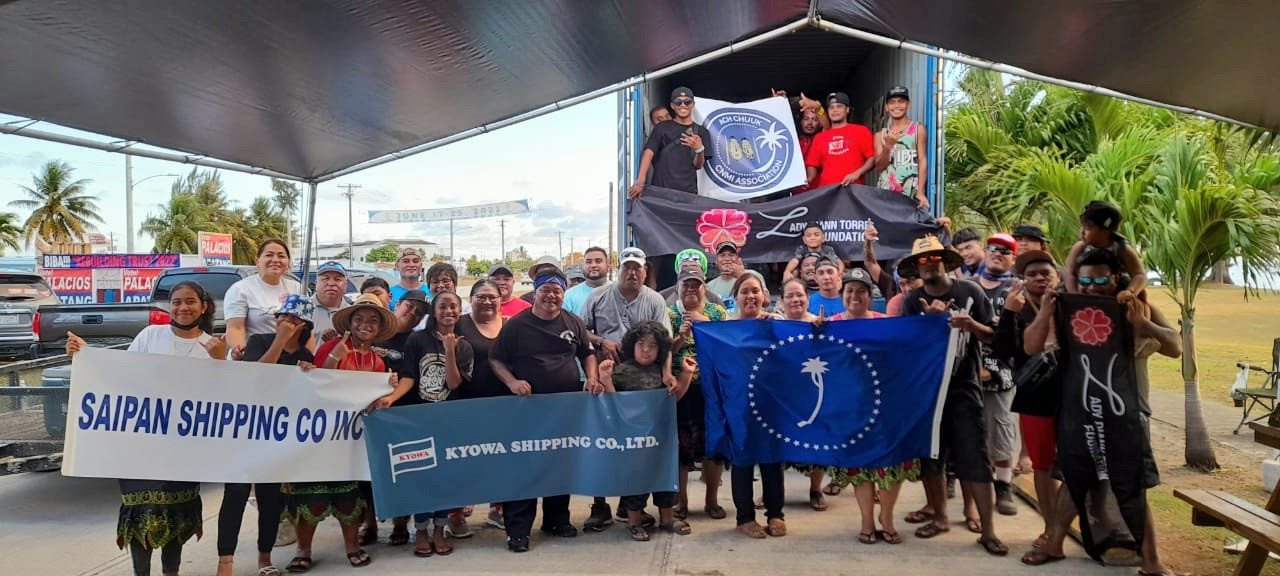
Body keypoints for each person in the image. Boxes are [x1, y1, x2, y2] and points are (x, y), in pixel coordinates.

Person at [1022, 248, 1178, 575]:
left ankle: (1151, 560)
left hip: (1127, 415)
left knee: (1132, 483)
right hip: (1081, 412)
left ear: (1118, 278)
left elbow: (1175, 347)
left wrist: (1144, 323)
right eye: (1086, 280)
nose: (1092, 287)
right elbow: (1031, 347)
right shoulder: (1067, 308)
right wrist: (1045, 313)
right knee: (1074, 476)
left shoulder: (1139, 306)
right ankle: (1054, 542)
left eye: (1101, 279)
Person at [66, 281, 225, 576]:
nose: (182, 307)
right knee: (141, 512)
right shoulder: (150, 335)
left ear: (203, 307)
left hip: (184, 449)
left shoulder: (214, 346)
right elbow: (123, 374)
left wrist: (221, 362)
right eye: (176, 302)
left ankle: (171, 572)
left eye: (190, 301)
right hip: (140, 444)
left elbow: (227, 397)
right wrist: (87, 355)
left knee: (176, 513)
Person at [898, 235, 1007, 556]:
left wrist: (970, 324)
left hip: (964, 388)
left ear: (946, 261)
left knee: (974, 457)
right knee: (931, 457)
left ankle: (988, 530)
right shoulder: (911, 301)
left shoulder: (970, 292)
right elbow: (904, 347)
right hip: (928, 392)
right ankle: (940, 516)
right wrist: (931, 324)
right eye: (923, 261)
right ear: (916, 267)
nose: (930, 265)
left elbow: (994, 338)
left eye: (935, 259)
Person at [489, 269, 600, 553]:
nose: (551, 296)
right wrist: (512, 382)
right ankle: (518, 530)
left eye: (557, 290)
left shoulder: (573, 322)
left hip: (564, 407)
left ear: (564, 294)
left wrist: (592, 377)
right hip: (526, 410)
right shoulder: (516, 325)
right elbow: (496, 359)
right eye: (545, 290)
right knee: (525, 469)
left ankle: (556, 519)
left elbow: (587, 353)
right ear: (535, 293)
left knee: (559, 464)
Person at [292, 294, 398, 571]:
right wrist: (332, 359)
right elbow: (318, 385)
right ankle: (304, 549)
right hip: (321, 434)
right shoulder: (330, 346)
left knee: (348, 495)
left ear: (378, 329)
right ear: (350, 323)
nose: (366, 324)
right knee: (311, 495)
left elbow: (373, 405)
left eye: (373, 321)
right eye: (360, 319)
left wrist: (388, 389)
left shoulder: (377, 362)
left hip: (351, 440)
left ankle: (352, 546)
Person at [579, 246, 673, 530]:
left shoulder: (655, 300)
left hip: (645, 380)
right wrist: (601, 342)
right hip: (607, 374)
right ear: (618, 270)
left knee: (639, 446)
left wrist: (667, 373)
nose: (632, 272)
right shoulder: (598, 296)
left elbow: (665, 341)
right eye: (627, 267)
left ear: (645, 271)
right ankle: (599, 504)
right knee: (603, 442)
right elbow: (580, 333)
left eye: (638, 268)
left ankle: (630, 505)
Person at [220, 295, 314, 576]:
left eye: (293, 319)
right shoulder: (260, 342)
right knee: (235, 494)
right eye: (282, 317)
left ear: (304, 326)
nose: (286, 322)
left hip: (277, 436)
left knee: (270, 499)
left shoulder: (305, 357)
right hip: (247, 431)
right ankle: (225, 562)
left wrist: (309, 373)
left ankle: (265, 558)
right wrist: (279, 340)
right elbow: (257, 376)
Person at [827, 269, 919, 544]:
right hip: (850, 410)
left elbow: (906, 358)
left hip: (886, 408)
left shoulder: (886, 324)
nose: (854, 296)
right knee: (860, 467)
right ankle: (867, 520)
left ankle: (887, 518)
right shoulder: (829, 324)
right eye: (849, 291)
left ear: (870, 295)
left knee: (891, 464)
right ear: (842, 295)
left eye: (861, 291)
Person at [382, 291, 475, 558]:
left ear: (460, 311)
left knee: (444, 477)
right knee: (422, 475)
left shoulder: (464, 346)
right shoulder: (417, 339)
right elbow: (409, 376)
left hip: (447, 419)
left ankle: (440, 529)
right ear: (433, 312)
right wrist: (391, 399)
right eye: (443, 306)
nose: (449, 311)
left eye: (454, 307)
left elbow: (455, 384)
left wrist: (449, 351)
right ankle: (421, 529)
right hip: (420, 417)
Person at [994, 250, 1062, 562]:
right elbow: (1003, 351)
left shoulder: (1069, 303)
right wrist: (1008, 313)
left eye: (1045, 272)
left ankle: (1076, 525)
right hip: (1035, 397)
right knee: (1044, 466)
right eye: (1032, 273)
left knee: (1077, 465)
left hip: (1074, 396)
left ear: (1057, 275)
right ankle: (1051, 528)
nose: (1039, 277)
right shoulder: (1017, 308)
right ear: (1023, 279)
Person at [599, 321, 695, 541]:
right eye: (641, 344)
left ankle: (667, 518)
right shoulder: (621, 372)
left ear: (660, 349)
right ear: (632, 345)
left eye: (652, 345)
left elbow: (674, 398)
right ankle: (634, 522)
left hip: (662, 439)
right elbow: (613, 406)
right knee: (635, 480)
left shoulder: (664, 373)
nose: (646, 350)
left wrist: (687, 374)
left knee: (665, 478)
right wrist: (606, 380)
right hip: (633, 441)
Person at [367, 288, 429, 546]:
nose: (412, 314)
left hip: (405, 411)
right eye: (409, 306)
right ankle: (368, 524)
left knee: (401, 469)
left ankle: (401, 522)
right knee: (368, 472)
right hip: (370, 413)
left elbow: (412, 376)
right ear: (397, 304)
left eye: (418, 312)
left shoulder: (416, 340)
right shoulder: (374, 333)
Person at [726, 273, 787, 538]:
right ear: (735, 297)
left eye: (755, 291)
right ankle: (745, 518)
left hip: (771, 402)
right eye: (744, 291)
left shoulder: (775, 324)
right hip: (739, 404)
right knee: (743, 460)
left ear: (764, 295)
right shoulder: (726, 329)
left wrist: (780, 325)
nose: (750, 296)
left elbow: (795, 352)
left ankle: (776, 514)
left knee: (772, 459)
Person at [668, 269, 729, 522]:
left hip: (712, 388)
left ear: (705, 288)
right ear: (678, 287)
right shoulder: (669, 313)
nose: (691, 289)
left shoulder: (717, 312)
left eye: (696, 284)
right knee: (682, 447)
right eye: (686, 285)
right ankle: (681, 503)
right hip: (681, 390)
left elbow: (728, 344)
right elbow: (664, 352)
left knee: (712, 448)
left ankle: (712, 501)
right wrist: (680, 337)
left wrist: (703, 323)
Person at [456, 280, 511, 530]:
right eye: (481, 296)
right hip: (465, 403)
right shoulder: (459, 324)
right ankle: (456, 511)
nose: (487, 301)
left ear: (501, 300)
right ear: (471, 298)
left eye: (493, 297)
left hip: (502, 404)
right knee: (463, 460)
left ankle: (497, 508)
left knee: (499, 459)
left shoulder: (511, 326)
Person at [774, 277, 832, 510]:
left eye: (800, 295)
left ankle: (815, 489)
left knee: (816, 438)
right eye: (790, 295)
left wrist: (824, 331)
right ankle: (774, 491)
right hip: (782, 394)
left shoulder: (820, 324)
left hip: (813, 392)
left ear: (808, 298)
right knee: (776, 441)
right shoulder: (774, 325)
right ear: (782, 300)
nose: (795, 299)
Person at [972, 233, 1020, 518]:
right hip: (966, 372)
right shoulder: (968, 286)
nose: (998, 253)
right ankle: (955, 477)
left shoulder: (1015, 289)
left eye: (1005, 251)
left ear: (1013, 258)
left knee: (1001, 430)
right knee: (964, 430)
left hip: (1001, 372)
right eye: (993, 249)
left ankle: (1003, 486)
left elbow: (1011, 334)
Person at [224, 239, 302, 357]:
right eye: (269, 255)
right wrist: (239, 349)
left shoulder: (297, 288)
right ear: (258, 261)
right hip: (253, 356)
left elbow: (305, 328)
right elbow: (235, 328)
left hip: (286, 358)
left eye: (281, 256)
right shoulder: (240, 289)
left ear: (288, 262)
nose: (275, 260)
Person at [628, 86, 711, 198]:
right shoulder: (661, 127)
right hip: (660, 191)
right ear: (672, 105)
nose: (683, 105)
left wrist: (699, 149)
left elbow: (698, 165)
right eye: (678, 102)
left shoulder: (701, 131)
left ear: (693, 105)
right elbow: (648, 153)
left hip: (687, 194)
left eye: (687, 101)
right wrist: (640, 181)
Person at [1065, 200, 1146, 300]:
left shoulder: (1122, 249)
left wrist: (1130, 291)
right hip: (1084, 292)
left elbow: (1139, 275)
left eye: (1088, 227)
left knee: (1145, 301)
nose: (1082, 231)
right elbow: (1069, 274)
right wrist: (1076, 297)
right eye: (1082, 226)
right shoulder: (1079, 247)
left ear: (1105, 231)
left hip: (1117, 297)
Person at [804, 91, 876, 189]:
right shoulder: (820, 137)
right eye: (831, 107)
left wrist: (857, 173)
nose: (835, 110)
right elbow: (812, 164)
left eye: (839, 106)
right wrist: (809, 179)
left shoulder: (861, 131)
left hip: (854, 190)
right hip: (827, 192)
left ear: (847, 109)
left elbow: (872, 159)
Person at [874, 85, 929, 209]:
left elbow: (922, 160)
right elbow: (879, 166)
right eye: (892, 102)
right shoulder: (880, 135)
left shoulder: (918, 129)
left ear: (909, 104)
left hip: (911, 193)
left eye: (901, 101)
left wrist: (921, 192)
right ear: (887, 107)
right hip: (886, 194)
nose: (897, 106)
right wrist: (888, 145)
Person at [659, 248, 725, 307]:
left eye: (694, 266)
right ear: (678, 271)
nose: (689, 269)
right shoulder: (662, 297)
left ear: (702, 272)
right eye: (685, 267)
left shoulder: (714, 301)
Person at [310, 261, 350, 343]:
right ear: (316, 284)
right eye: (325, 279)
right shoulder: (303, 309)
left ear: (346, 285)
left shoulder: (351, 313)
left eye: (338, 279)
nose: (331, 283)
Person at [564, 246, 610, 315]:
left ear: (608, 265)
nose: (593, 265)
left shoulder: (619, 292)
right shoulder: (569, 295)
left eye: (598, 261)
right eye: (589, 262)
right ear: (583, 266)